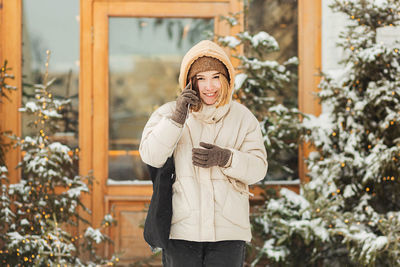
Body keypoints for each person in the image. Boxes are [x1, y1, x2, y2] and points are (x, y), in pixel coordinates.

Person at [139, 40, 268, 267]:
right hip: (181, 232)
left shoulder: (242, 118)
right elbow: (151, 156)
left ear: (227, 79)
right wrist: (177, 119)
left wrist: (227, 158)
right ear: (189, 82)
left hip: (228, 234)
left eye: (216, 77)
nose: (209, 86)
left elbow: (258, 168)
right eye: (201, 78)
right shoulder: (169, 113)